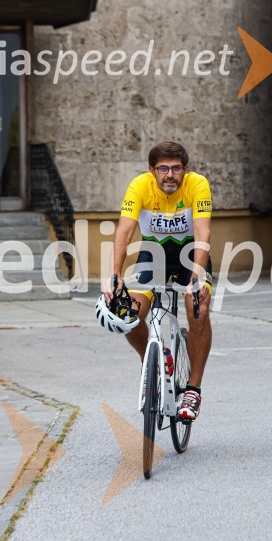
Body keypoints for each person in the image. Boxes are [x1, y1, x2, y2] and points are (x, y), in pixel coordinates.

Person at [98, 141, 212, 421]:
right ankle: (153, 363)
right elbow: (124, 231)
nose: (170, 174)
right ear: (152, 170)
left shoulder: (198, 184)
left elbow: (202, 231)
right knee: (126, 313)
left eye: (176, 168)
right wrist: (114, 274)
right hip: (153, 255)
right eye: (163, 168)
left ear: (185, 170)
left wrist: (197, 275)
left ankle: (193, 390)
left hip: (190, 255)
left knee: (197, 309)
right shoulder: (140, 186)